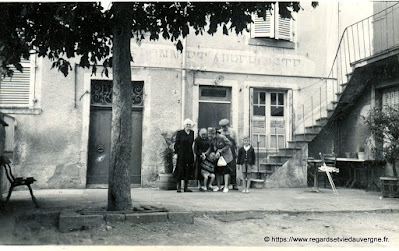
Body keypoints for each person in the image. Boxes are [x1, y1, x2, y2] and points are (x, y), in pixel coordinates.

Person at [174, 118, 195, 193]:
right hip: (181, 154)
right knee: (180, 169)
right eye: (187, 124)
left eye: (189, 125)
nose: (188, 126)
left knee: (188, 169)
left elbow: (192, 143)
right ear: (184, 125)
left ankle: (186, 187)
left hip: (189, 153)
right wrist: (176, 153)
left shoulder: (192, 132)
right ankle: (179, 187)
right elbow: (177, 143)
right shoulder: (180, 132)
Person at [210, 127, 233, 193]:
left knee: (226, 171)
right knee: (218, 171)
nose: (213, 136)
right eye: (211, 135)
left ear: (216, 133)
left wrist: (221, 150)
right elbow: (212, 147)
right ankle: (218, 186)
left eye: (214, 134)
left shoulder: (222, 137)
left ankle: (226, 186)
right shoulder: (212, 140)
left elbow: (229, 144)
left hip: (226, 156)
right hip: (218, 156)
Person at [219, 118, 238, 190]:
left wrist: (236, 151)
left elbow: (236, 142)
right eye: (222, 127)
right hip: (224, 152)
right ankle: (224, 184)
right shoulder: (220, 132)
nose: (224, 128)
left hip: (232, 151)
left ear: (228, 125)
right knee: (224, 167)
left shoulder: (232, 132)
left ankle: (234, 184)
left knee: (233, 167)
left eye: (225, 126)